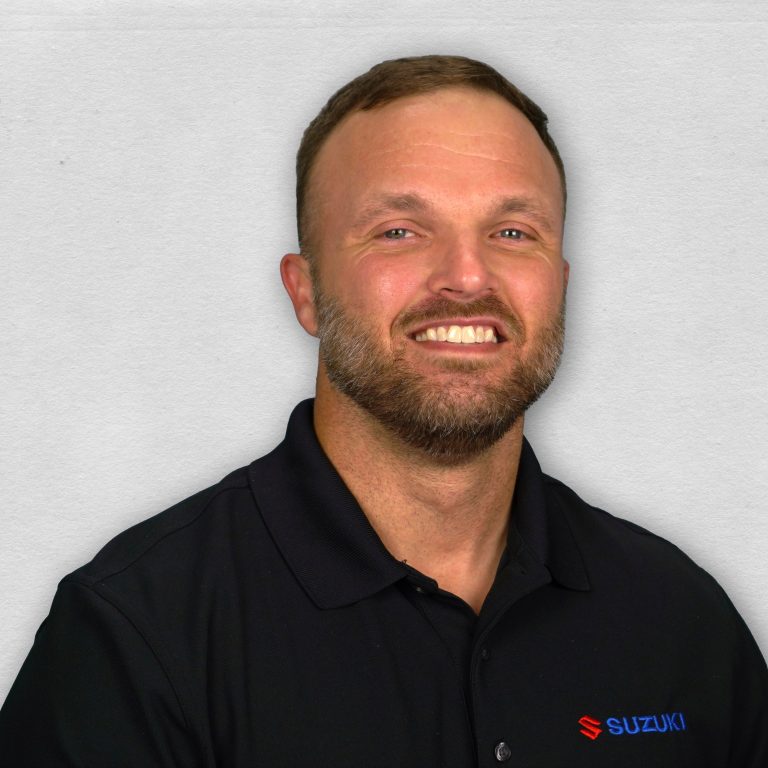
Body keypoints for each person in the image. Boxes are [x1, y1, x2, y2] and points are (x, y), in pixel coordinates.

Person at [0, 54, 766, 768]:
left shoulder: (682, 621)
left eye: (512, 232)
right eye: (400, 231)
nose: (468, 276)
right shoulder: (136, 636)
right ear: (305, 291)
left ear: (559, 283)